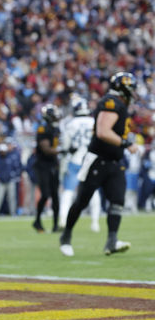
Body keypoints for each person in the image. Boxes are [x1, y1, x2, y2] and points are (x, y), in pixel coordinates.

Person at [59, 72, 138, 257]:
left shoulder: (120, 104)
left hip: (115, 161)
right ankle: (66, 236)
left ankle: (111, 241)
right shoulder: (111, 102)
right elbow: (103, 131)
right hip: (97, 160)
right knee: (82, 200)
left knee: (117, 201)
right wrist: (126, 143)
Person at [58, 96, 101, 232]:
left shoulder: (71, 124)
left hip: (75, 159)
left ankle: (63, 219)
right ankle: (95, 222)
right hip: (91, 160)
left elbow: (65, 145)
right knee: (93, 192)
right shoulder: (94, 122)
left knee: (68, 191)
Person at [32, 104, 61, 233]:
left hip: (53, 165)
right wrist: (63, 150)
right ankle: (37, 220)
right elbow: (46, 149)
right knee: (45, 194)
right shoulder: (43, 128)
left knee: (55, 195)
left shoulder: (55, 128)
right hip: (43, 165)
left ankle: (55, 225)